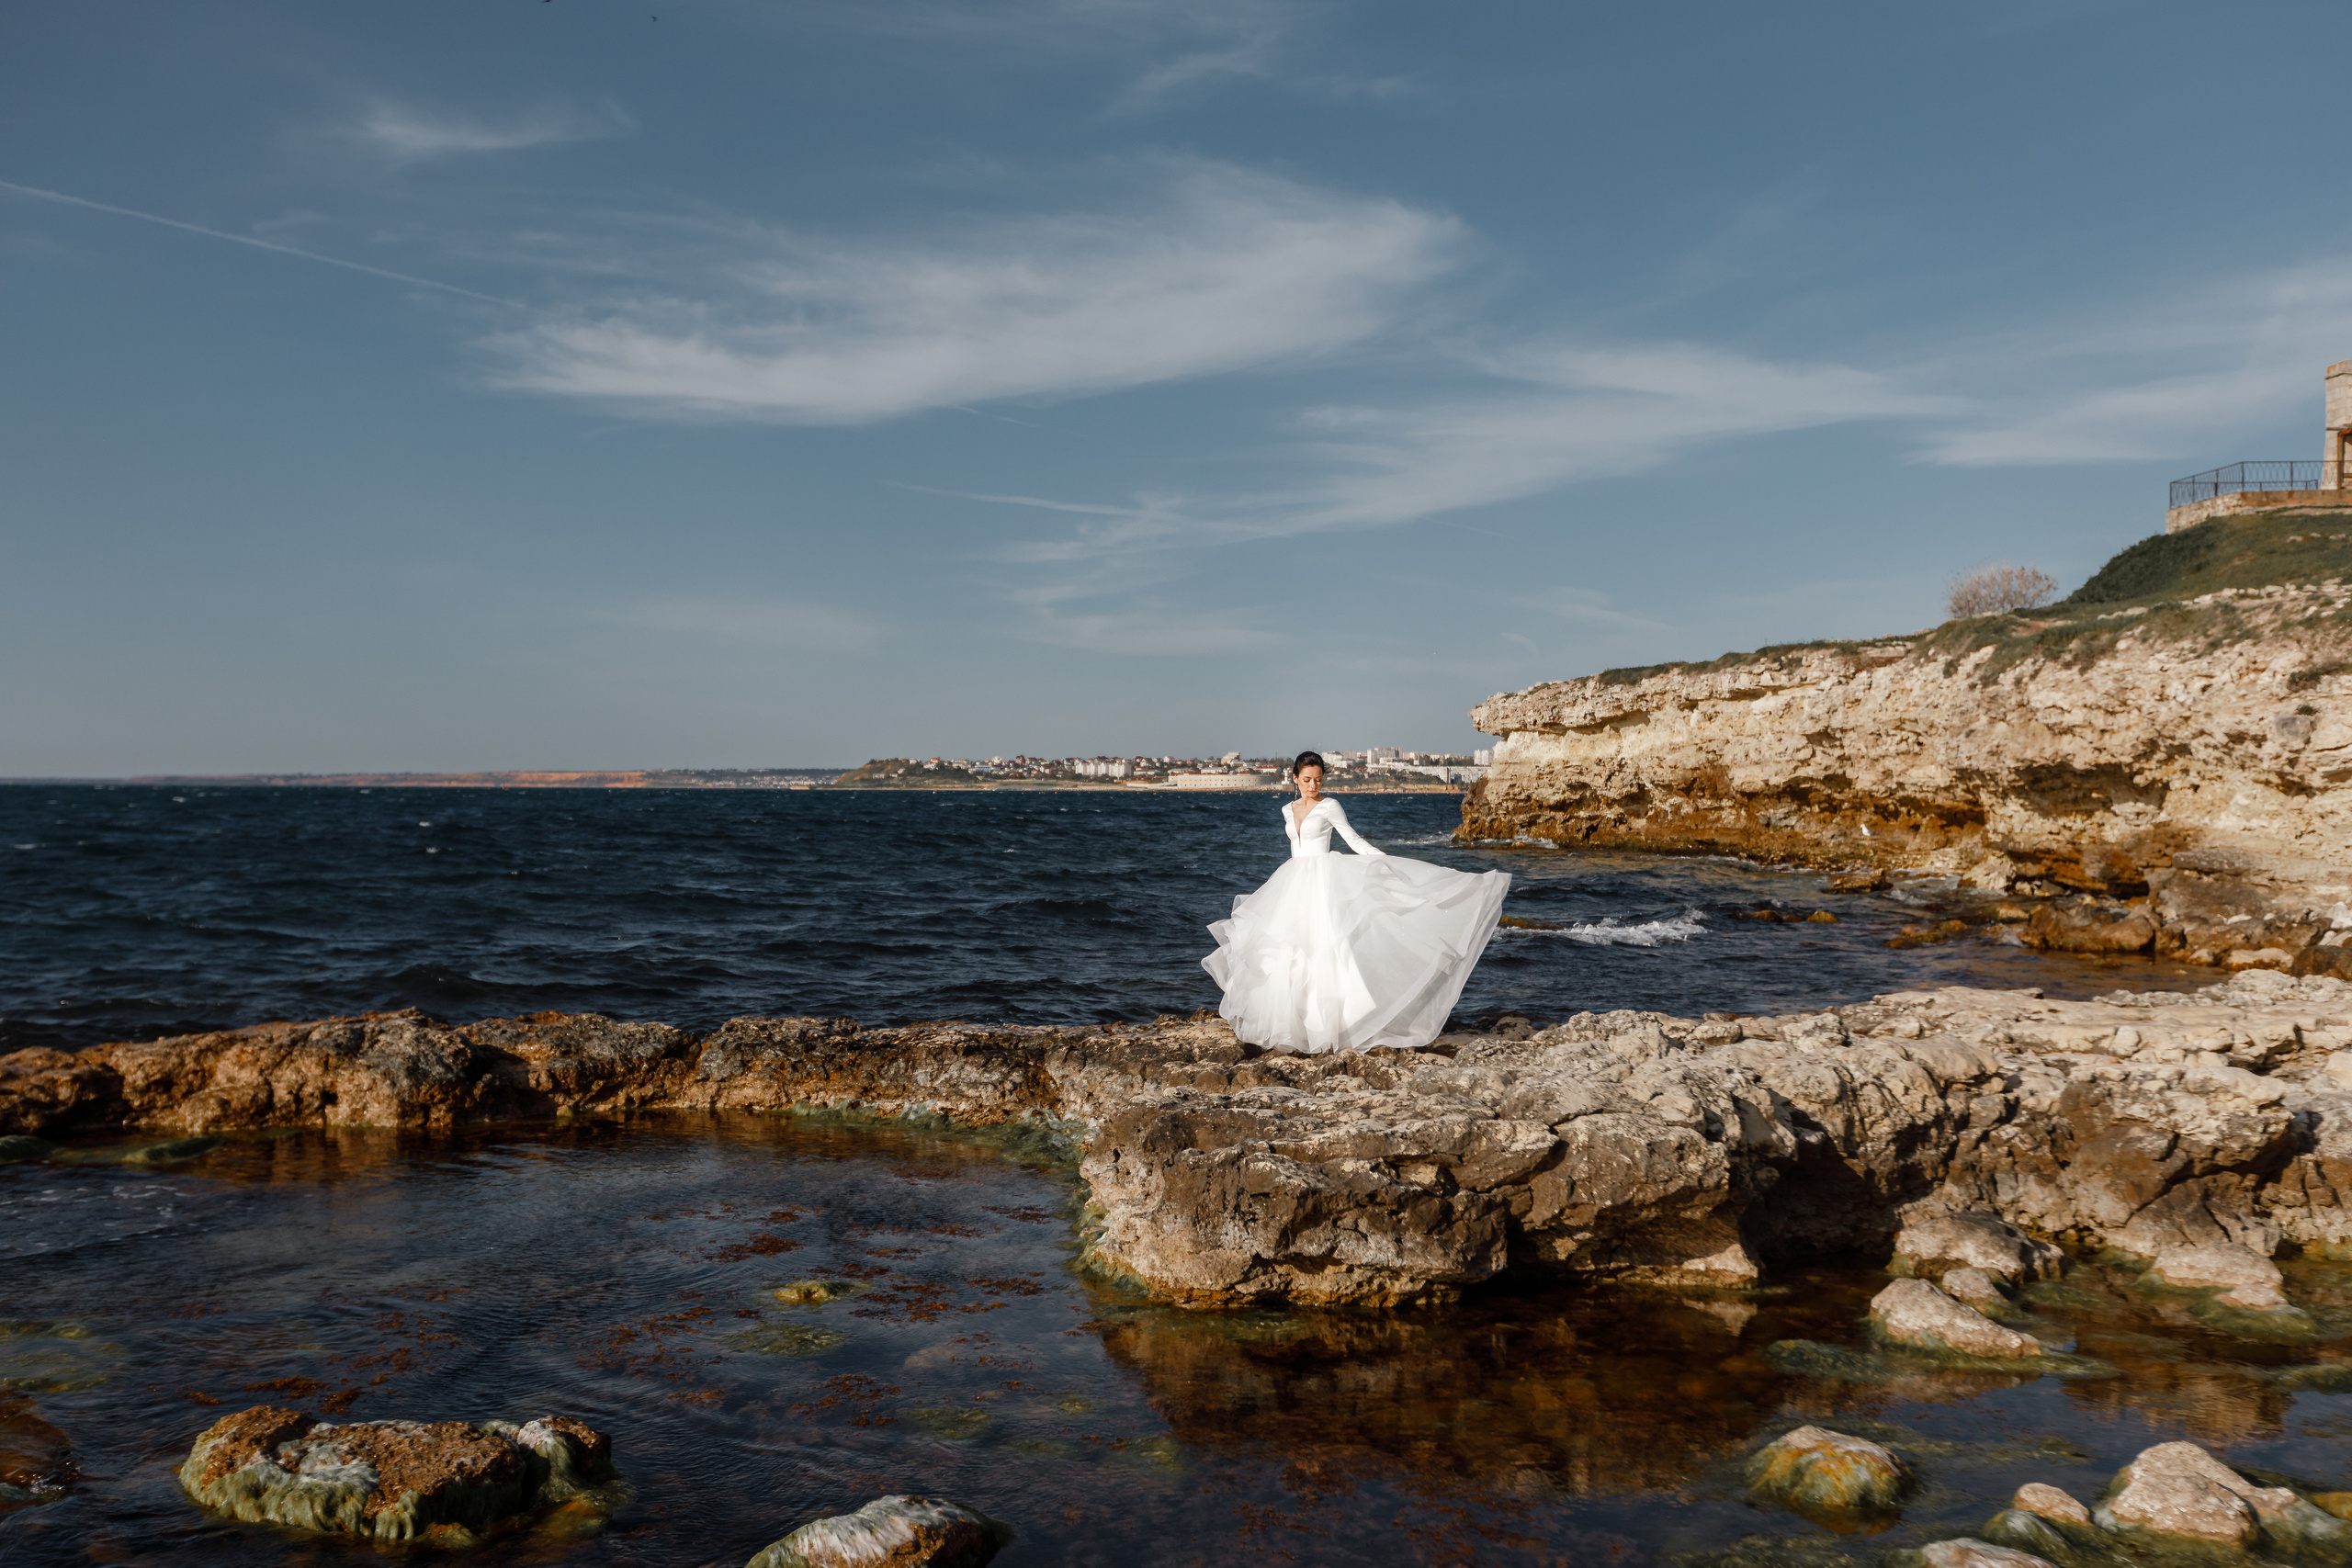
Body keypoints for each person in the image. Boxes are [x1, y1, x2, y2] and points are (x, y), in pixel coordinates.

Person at [1202, 750, 1510, 1054]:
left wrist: (1388, 863)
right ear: (1295, 778)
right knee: (1289, 950)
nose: (1313, 785)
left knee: (1327, 949)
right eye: (1307, 780)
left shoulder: (1330, 806)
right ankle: (1295, 1025)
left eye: (1318, 780)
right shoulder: (1286, 809)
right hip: (1293, 883)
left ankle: (1336, 1024)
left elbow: (1353, 840)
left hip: (1323, 882)